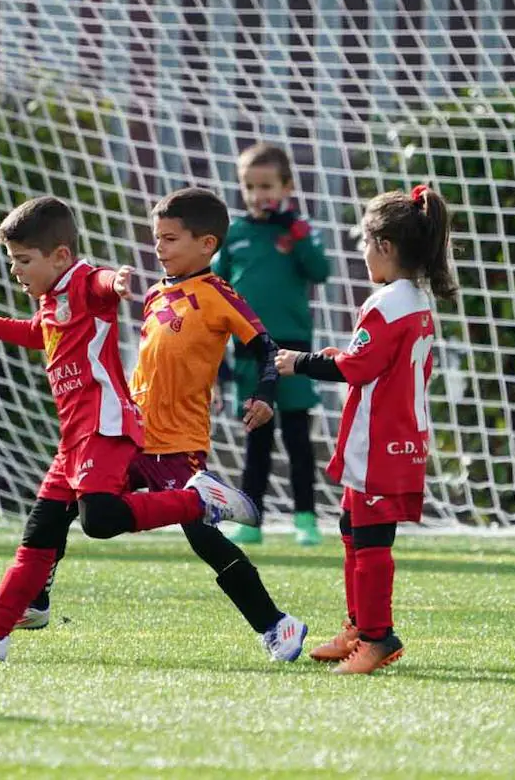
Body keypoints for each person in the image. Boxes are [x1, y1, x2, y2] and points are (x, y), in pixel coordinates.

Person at [0, 195, 260, 663]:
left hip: (104, 426)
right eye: (12, 261)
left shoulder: (82, 281)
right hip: (75, 437)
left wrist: (117, 279)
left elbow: (103, 284)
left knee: (99, 520)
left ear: (59, 256)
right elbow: (36, 333)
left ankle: (201, 499)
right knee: (40, 533)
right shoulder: (51, 301)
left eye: (23, 260)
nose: (15, 271)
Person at [20, 188, 308, 661]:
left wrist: (263, 395)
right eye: (157, 238)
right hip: (131, 430)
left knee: (202, 535)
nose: (159, 248)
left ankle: (277, 624)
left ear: (207, 244)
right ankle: (35, 598)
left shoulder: (219, 295)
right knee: (72, 503)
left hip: (179, 441)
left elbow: (266, 351)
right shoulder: (155, 294)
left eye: (171, 239)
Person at [275, 184, 454, 675]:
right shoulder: (414, 299)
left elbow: (358, 368)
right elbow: (381, 363)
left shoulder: (385, 302)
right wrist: (342, 358)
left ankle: (378, 637)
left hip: (381, 440)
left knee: (372, 540)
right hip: (397, 435)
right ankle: (358, 626)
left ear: (386, 247)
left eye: (365, 242)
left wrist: (301, 362)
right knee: (352, 528)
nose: (362, 252)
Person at [214, 143, 330, 545]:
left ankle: (306, 520)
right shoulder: (235, 233)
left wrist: (295, 233)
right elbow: (217, 286)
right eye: (250, 186)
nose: (258, 194)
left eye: (266, 185)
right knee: (257, 443)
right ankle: (251, 521)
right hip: (250, 353)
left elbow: (322, 269)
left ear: (286, 187)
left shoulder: (297, 229)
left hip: (293, 353)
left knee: (298, 439)